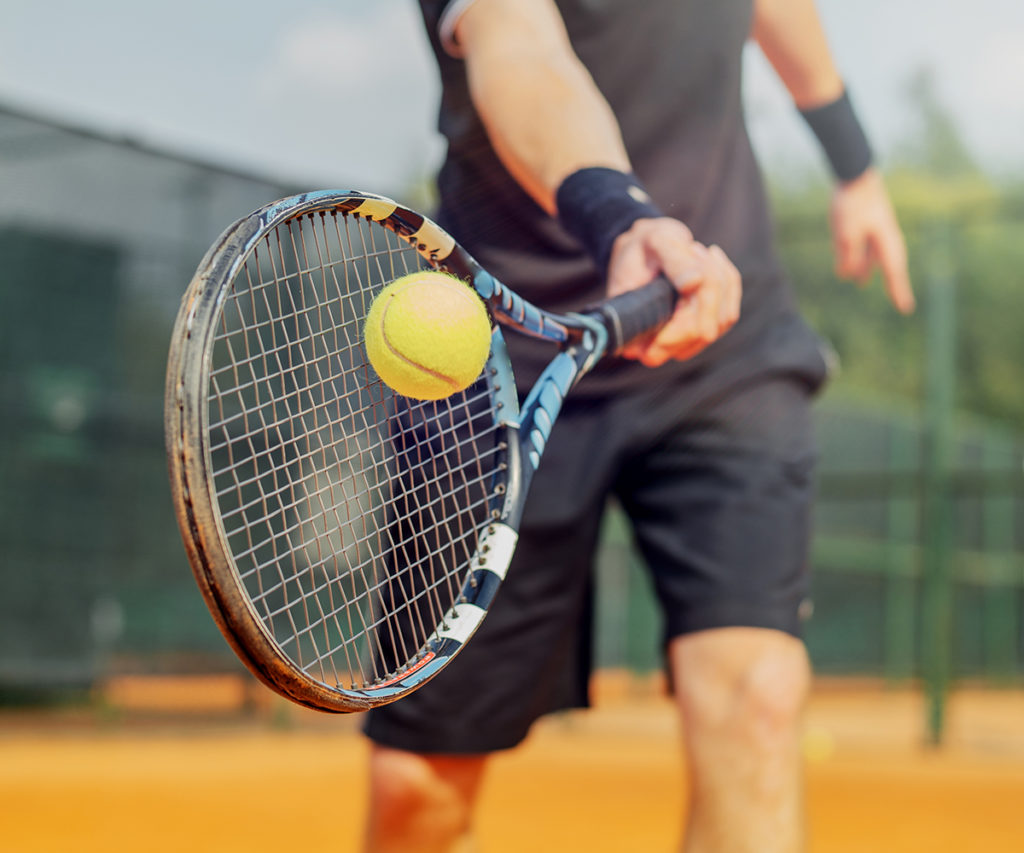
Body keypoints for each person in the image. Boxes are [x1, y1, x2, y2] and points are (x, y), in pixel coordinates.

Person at [362, 1, 913, 850]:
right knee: (419, 786)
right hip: (501, 356)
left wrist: (853, 160)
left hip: (720, 328)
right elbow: (524, 52)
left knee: (757, 699)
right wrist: (621, 215)